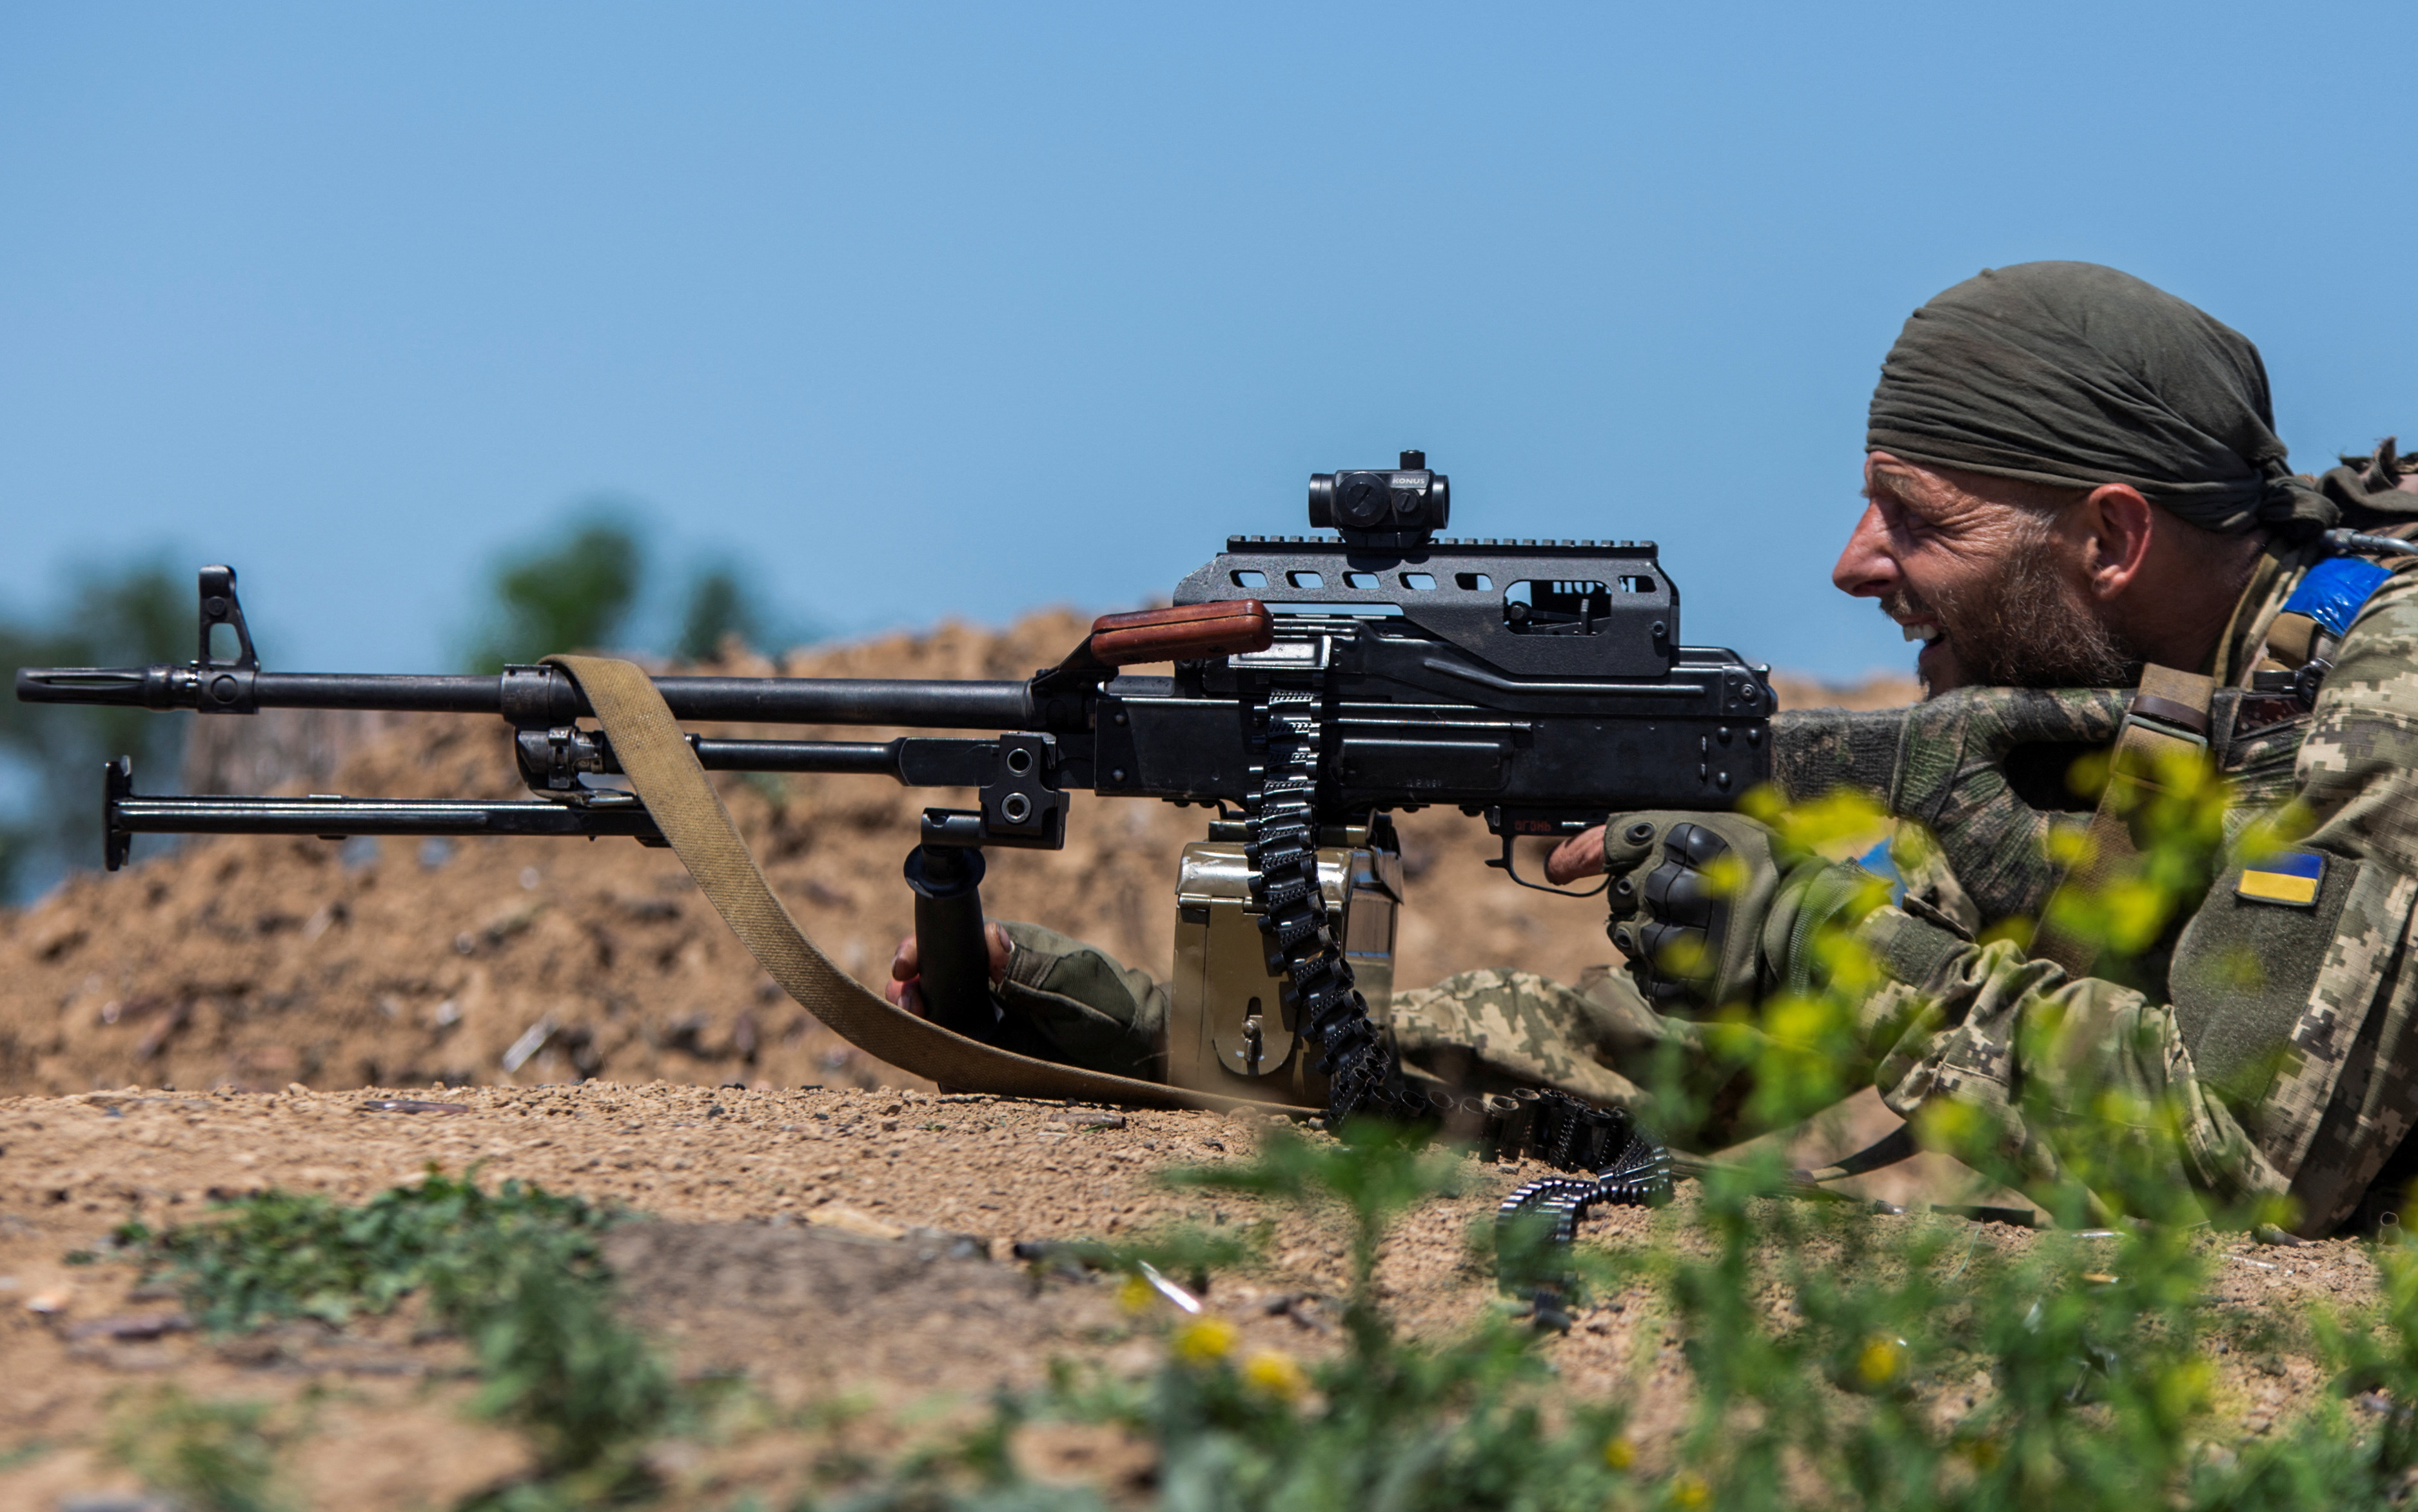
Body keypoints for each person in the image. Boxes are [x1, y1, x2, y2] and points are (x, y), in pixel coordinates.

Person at [890, 262, 2418, 1233]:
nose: (1851, 563)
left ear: (2110, 535)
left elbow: (2252, 1167)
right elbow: (1688, 1064)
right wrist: (1148, 1032)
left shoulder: (2379, 699)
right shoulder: (2164, 711)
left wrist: (1823, 942)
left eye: (1919, 520)